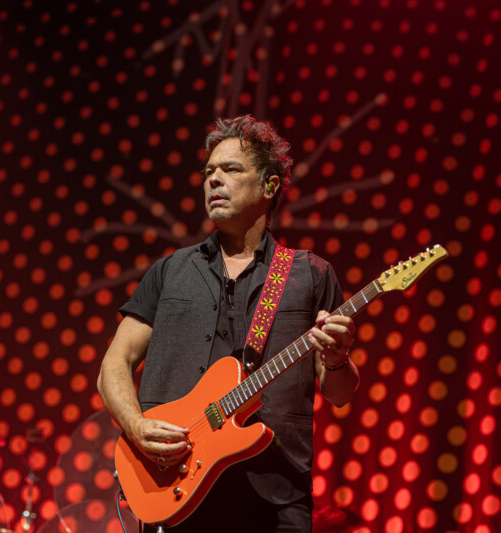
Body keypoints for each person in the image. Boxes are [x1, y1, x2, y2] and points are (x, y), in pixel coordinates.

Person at [97, 115, 360, 532]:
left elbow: (339, 394)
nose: (213, 180)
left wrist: (337, 358)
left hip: (275, 496)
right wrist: (136, 425)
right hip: (176, 485)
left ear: (270, 186)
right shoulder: (170, 271)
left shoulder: (310, 274)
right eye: (209, 173)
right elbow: (115, 363)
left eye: (231, 169)